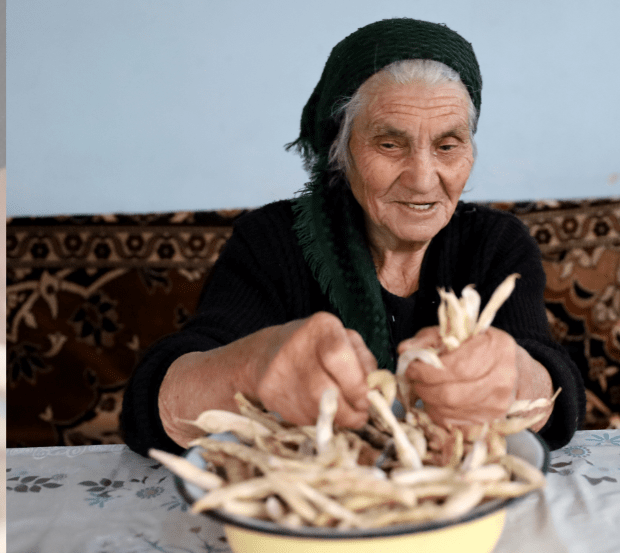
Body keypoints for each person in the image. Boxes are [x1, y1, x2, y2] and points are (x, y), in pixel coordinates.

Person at [121, 18, 586, 456]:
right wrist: (251, 368)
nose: (424, 179)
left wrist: (515, 377)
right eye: (389, 144)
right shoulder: (272, 242)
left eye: (448, 145)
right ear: (340, 151)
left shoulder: (495, 244)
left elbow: (558, 394)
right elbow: (149, 411)